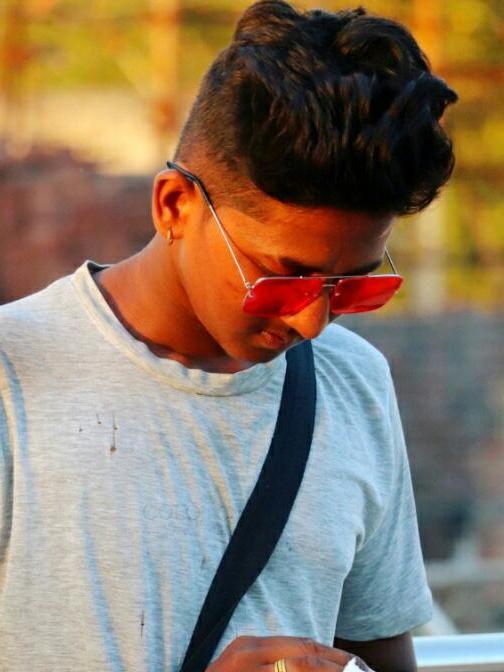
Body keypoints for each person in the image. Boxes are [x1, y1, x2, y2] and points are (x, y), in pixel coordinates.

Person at [0, 1, 458, 671]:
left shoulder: (353, 381)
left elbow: (379, 654)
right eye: (284, 278)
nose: (311, 323)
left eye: (352, 287)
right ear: (175, 206)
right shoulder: (15, 375)